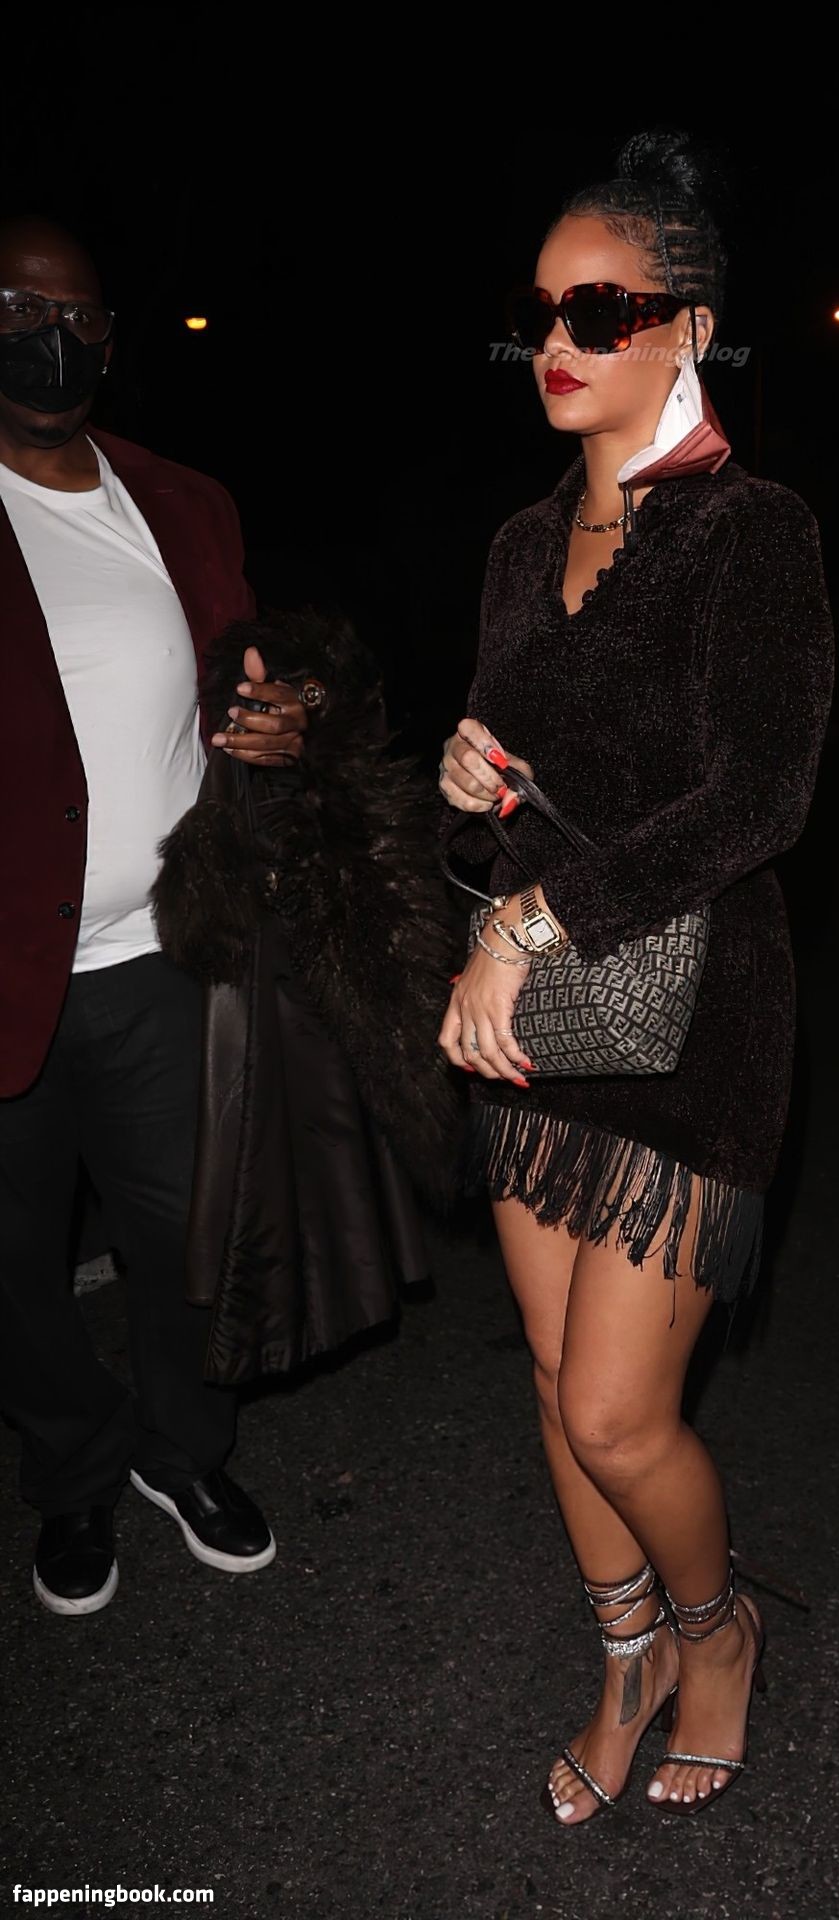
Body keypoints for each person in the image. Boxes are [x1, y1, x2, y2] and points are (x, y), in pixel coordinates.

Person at [438, 129, 835, 1823]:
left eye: (598, 309)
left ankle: (714, 1628)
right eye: (541, 310)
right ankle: (625, 1659)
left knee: (614, 1413)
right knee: (547, 1379)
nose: (557, 339)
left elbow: (759, 800)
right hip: (542, 1019)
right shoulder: (518, 545)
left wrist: (529, 921)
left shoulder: (752, 531)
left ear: (688, 328)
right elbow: (518, 780)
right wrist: (465, 779)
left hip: (694, 1020)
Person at [0, 216, 309, 1615]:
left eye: (74, 316)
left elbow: (247, 676)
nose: (49, 339)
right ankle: (72, 1468)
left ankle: (183, 1452)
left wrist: (283, 720)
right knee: (14, 1269)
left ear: (111, 339)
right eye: (16, 310)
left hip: (160, 958)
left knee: (192, 1239)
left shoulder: (182, 500)